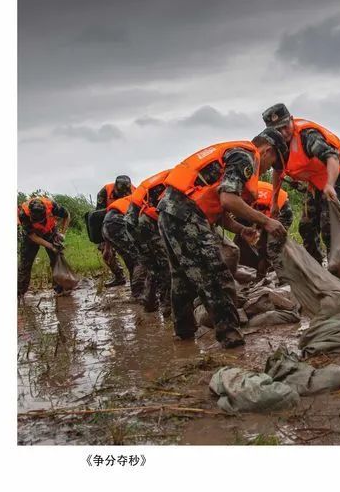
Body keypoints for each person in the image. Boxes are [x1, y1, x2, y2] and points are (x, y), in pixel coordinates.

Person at [157, 130, 288, 348]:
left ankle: (184, 335)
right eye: (273, 164)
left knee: (182, 279)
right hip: (186, 215)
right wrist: (266, 221)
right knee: (217, 276)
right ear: (267, 151)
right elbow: (228, 200)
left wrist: (241, 229)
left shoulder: (232, 153)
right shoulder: (245, 156)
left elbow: (216, 208)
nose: (267, 170)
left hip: (169, 213)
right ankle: (231, 339)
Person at [261, 103, 340, 264]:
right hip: (314, 184)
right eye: (277, 129)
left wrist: (330, 185)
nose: (283, 132)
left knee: (330, 227)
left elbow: (332, 158)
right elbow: (277, 170)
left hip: (335, 178)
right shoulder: (276, 144)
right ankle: (316, 267)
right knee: (306, 227)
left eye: (285, 126)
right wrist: (274, 201)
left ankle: (338, 269)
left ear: (291, 120)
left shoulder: (308, 136)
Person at [125, 170, 171, 313]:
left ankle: (149, 302)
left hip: (132, 225)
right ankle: (168, 305)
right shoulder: (170, 183)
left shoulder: (159, 181)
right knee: (166, 264)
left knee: (152, 266)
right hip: (145, 223)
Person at [234, 180, 293, 279]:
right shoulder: (237, 191)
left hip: (280, 208)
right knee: (256, 243)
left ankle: (285, 279)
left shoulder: (238, 193)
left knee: (273, 245)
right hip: (264, 210)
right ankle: (258, 274)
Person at [18, 196, 71, 298]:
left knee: (57, 258)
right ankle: (19, 292)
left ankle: (61, 289)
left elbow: (67, 215)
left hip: (49, 231)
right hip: (31, 236)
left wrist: (62, 233)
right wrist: (50, 246)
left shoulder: (53, 206)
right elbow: (33, 236)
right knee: (25, 263)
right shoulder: (23, 214)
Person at [95, 175, 135, 287]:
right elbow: (101, 217)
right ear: (115, 188)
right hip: (108, 223)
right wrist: (107, 245)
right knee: (106, 254)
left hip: (128, 223)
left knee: (132, 256)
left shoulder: (135, 191)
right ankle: (119, 277)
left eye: (125, 194)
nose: (123, 196)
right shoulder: (104, 192)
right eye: (120, 193)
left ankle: (136, 283)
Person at [102, 194, 146, 297]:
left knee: (130, 260)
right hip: (118, 223)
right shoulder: (146, 196)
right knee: (140, 258)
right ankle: (139, 294)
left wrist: (107, 247)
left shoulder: (132, 197)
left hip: (106, 225)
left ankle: (136, 292)